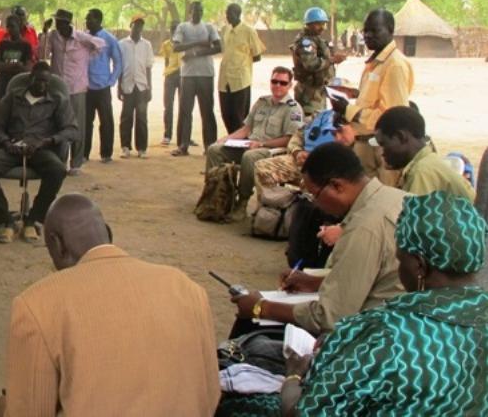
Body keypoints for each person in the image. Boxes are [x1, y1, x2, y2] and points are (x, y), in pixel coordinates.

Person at [0, 194, 219, 417]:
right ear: (108, 234)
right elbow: (210, 394)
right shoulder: (187, 288)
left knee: (3, 406)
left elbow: (29, 411)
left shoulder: (36, 304)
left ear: (57, 244)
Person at [281, 192, 488, 416]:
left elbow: (303, 413)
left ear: (419, 266)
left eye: (400, 259)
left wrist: (294, 375)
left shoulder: (384, 333)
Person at [230, 143, 405, 335]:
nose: (317, 205)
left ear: (337, 186)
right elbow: (376, 275)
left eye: (315, 195)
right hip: (406, 323)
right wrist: (316, 282)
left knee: (251, 328)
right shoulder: (399, 198)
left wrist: (262, 307)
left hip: (383, 333)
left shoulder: (364, 227)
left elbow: (330, 317)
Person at [0, 63, 78, 243]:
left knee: (57, 170)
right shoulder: (13, 97)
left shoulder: (58, 100)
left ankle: (34, 219)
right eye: (38, 80)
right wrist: (6, 142)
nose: (42, 85)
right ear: (30, 79)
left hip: (41, 150)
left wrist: (46, 141)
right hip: (13, 148)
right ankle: (4, 220)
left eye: (46, 82)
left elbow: (71, 130)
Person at [204, 67, 304, 219]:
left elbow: (290, 139)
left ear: (290, 85)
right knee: (214, 149)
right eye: (274, 81)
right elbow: (246, 129)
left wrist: (262, 144)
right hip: (249, 145)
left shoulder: (293, 109)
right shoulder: (262, 102)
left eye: (283, 83)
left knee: (249, 157)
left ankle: (242, 202)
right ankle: (213, 195)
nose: (278, 85)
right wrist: (226, 138)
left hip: (271, 151)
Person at [331, 8, 414, 184]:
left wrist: (349, 110)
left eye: (375, 31)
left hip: (381, 149)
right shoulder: (375, 63)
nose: (368, 35)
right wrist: (346, 111)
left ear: (390, 30)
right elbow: (372, 102)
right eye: (365, 31)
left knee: (383, 197)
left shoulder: (395, 65)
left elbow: (392, 117)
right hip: (364, 144)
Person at [42, 9, 105, 175]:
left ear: (67, 23)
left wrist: (88, 55)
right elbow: (42, 54)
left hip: (77, 89)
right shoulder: (53, 36)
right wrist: (45, 32)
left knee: (77, 126)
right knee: (58, 125)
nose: (57, 24)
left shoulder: (81, 38)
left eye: (60, 22)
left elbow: (100, 44)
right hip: (58, 90)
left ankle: (76, 163)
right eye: (56, 21)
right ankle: (59, 162)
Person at [375, 106, 475, 199]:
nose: (382, 153)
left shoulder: (421, 172)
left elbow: (415, 211)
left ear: (401, 137)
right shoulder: (428, 162)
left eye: (384, 144)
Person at [171, 1, 221, 156]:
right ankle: (183, 145)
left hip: (206, 74)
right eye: (194, 11)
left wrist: (195, 53)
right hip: (188, 75)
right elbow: (176, 47)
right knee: (185, 111)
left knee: (207, 111)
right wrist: (199, 43)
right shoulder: (183, 27)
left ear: (202, 12)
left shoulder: (209, 27)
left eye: (200, 10)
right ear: (189, 12)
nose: (197, 13)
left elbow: (218, 47)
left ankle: (210, 146)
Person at [217, 3, 265, 134]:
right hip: (224, 80)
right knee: (226, 115)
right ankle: (232, 141)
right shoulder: (225, 30)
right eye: (226, 13)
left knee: (239, 117)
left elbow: (257, 56)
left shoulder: (249, 31)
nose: (227, 16)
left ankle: (240, 143)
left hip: (240, 80)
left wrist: (241, 64)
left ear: (237, 14)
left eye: (230, 14)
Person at [83, 8, 121, 164]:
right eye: (86, 19)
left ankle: (106, 153)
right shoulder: (84, 38)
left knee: (106, 121)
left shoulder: (109, 39)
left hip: (102, 87)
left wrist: (111, 81)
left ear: (98, 20)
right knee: (86, 122)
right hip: (86, 87)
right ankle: (84, 154)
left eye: (89, 19)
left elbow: (118, 61)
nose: (87, 21)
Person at [291, 7, 344, 116]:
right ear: (308, 24)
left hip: (318, 91)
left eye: (323, 24)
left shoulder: (316, 39)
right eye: (318, 24)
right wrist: (332, 60)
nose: (322, 27)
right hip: (309, 93)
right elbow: (311, 64)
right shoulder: (306, 42)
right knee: (310, 121)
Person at [118, 17, 153, 158]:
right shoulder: (122, 44)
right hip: (127, 85)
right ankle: (125, 147)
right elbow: (119, 67)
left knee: (142, 118)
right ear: (130, 26)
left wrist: (149, 87)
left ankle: (142, 148)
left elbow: (148, 67)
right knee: (126, 117)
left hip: (141, 86)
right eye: (136, 25)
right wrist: (119, 86)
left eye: (140, 26)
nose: (138, 28)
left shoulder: (147, 45)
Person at [0, 14, 34, 108]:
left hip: (19, 85)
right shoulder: (2, 44)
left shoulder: (25, 45)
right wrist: (15, 66)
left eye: (12, 26)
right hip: (2, 84)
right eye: (8, 26)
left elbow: (28, 68)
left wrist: (5, 66)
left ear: (19, 26)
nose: (10, 29)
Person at [158, 21, 181, 146]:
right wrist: (168, 73)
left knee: (184, 107)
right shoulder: (166, 44)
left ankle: (184, 136)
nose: (175, 33)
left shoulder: (184, 44)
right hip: (170, 76)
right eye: (173, 30)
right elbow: (166, 61)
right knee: (168, 106)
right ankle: (167, 135)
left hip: (183, 75)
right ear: (171, 31)